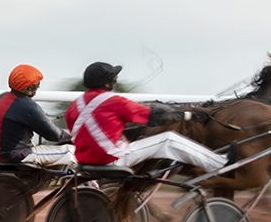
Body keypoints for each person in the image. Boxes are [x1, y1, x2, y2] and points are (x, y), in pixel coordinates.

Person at [67, 61, 224, 172]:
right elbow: (155, 116)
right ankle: (220, 164)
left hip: (84, 160)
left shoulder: (75, 104)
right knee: (168, 139)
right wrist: (189, 115)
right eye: (114, 79)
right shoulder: (114, 101)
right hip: (111, 159)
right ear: (108, 84)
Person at [0, 63, 71, 164]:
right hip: (16, 155)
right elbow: (54, 135)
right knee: (71, 151)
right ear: (29, 88)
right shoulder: (29, 106)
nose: (39, 86)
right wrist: (70, 134)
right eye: (38, 83)